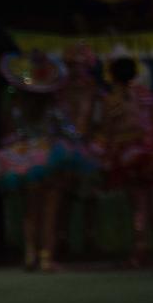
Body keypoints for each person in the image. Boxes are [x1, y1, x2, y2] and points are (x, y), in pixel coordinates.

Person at [0, 51, 94, 271]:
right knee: (49, 209)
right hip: (51, 156)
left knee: (30, 210)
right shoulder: (54, 107)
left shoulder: (16, 105)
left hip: (24, 158)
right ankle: (45, 256)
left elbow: (9, 133)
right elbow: (70, 133)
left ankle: (30, 255)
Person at [99, 52, 153, 267]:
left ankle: (141, 250)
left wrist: (107, 154)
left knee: (138, 202)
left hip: (129, 153)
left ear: (112, 76)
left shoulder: (111, 100)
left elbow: (108, 132)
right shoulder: (145, 94)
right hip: (150, 151)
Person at [54, 42, 106, 258]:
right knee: (63, 195)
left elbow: (100, 118)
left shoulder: (94, 89)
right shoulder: (58, 89)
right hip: (63, 147)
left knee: (90, 196)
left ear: (88, 65)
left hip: (87, 147)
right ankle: (62, 240)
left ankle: (90, 239)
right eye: (72, 64)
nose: (77, 68)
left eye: (81, 64)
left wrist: (93, 140)